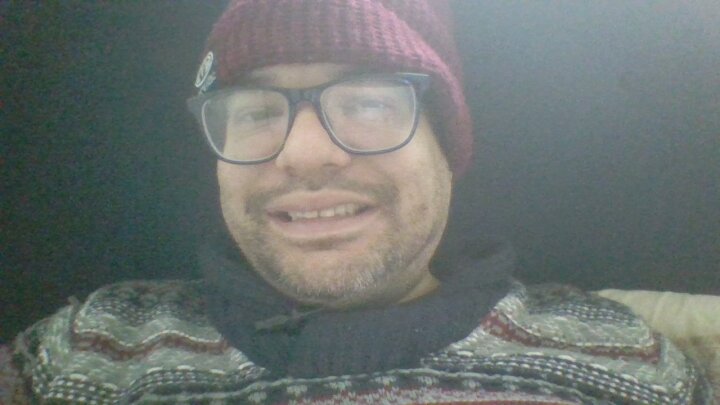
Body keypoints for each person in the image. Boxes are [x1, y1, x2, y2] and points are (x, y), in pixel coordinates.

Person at [1, 1, 714, 403]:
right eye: (255, 111)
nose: (305, 153)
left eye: (369, 102)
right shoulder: (88, 351)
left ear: (445, 146)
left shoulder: (617, 360)